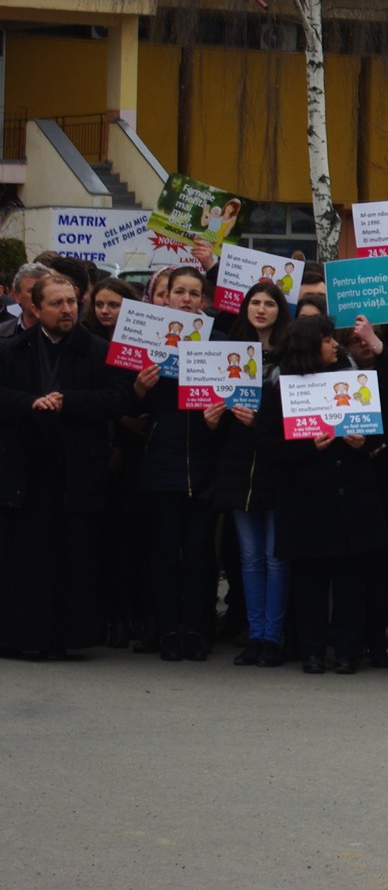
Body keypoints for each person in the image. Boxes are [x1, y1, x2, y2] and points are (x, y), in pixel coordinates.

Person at [0, 272, 134, 658]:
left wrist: (68, 402)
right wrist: (30, 403)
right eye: (56, 303)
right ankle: (23, 638)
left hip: (78, 469)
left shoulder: (99, 350)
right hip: (28, 470)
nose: (66, 310)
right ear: (35, 307)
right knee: (28, 559)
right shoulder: (12, 349)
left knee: (74, 558)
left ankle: (69, 638)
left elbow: (119, 397)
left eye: (72, 302)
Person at [266, 314, 388, 674]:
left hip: (352, 498)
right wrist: (307, 447)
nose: (334, 345)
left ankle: (348, 651)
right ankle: (312, 651)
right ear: (309, 345)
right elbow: (269, 446)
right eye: (326, 340)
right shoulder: (283, 387)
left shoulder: (352, 378)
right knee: (309, 582)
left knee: (350, 581)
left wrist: (363, 442)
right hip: (307, 501)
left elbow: (377, 431)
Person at [130, 266, 221, 661]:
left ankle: (198, 629)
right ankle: (166, 628)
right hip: (161, 460)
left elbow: (236, 397)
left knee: (200, 551)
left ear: (203, 299)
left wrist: (219, 419)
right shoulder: (144, 339)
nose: (186, 299)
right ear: (164, 297)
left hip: (205, 463)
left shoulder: (218, 341)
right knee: (164, 550)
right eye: (179, 292)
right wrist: (138, 389)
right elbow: (122, 401)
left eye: (193, 293)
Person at [205, 282, 293, 668]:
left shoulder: (291, 357)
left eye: (269, 303)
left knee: (275, 557)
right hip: (238, 468)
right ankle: (255, 635)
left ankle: (273, 636)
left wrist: (262, 424)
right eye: (254, 303)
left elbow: (298, 417)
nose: (260, 309)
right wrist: (212, 422)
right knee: (249, 557)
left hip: (276, 469)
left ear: (280, 310)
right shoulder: (229, 352)